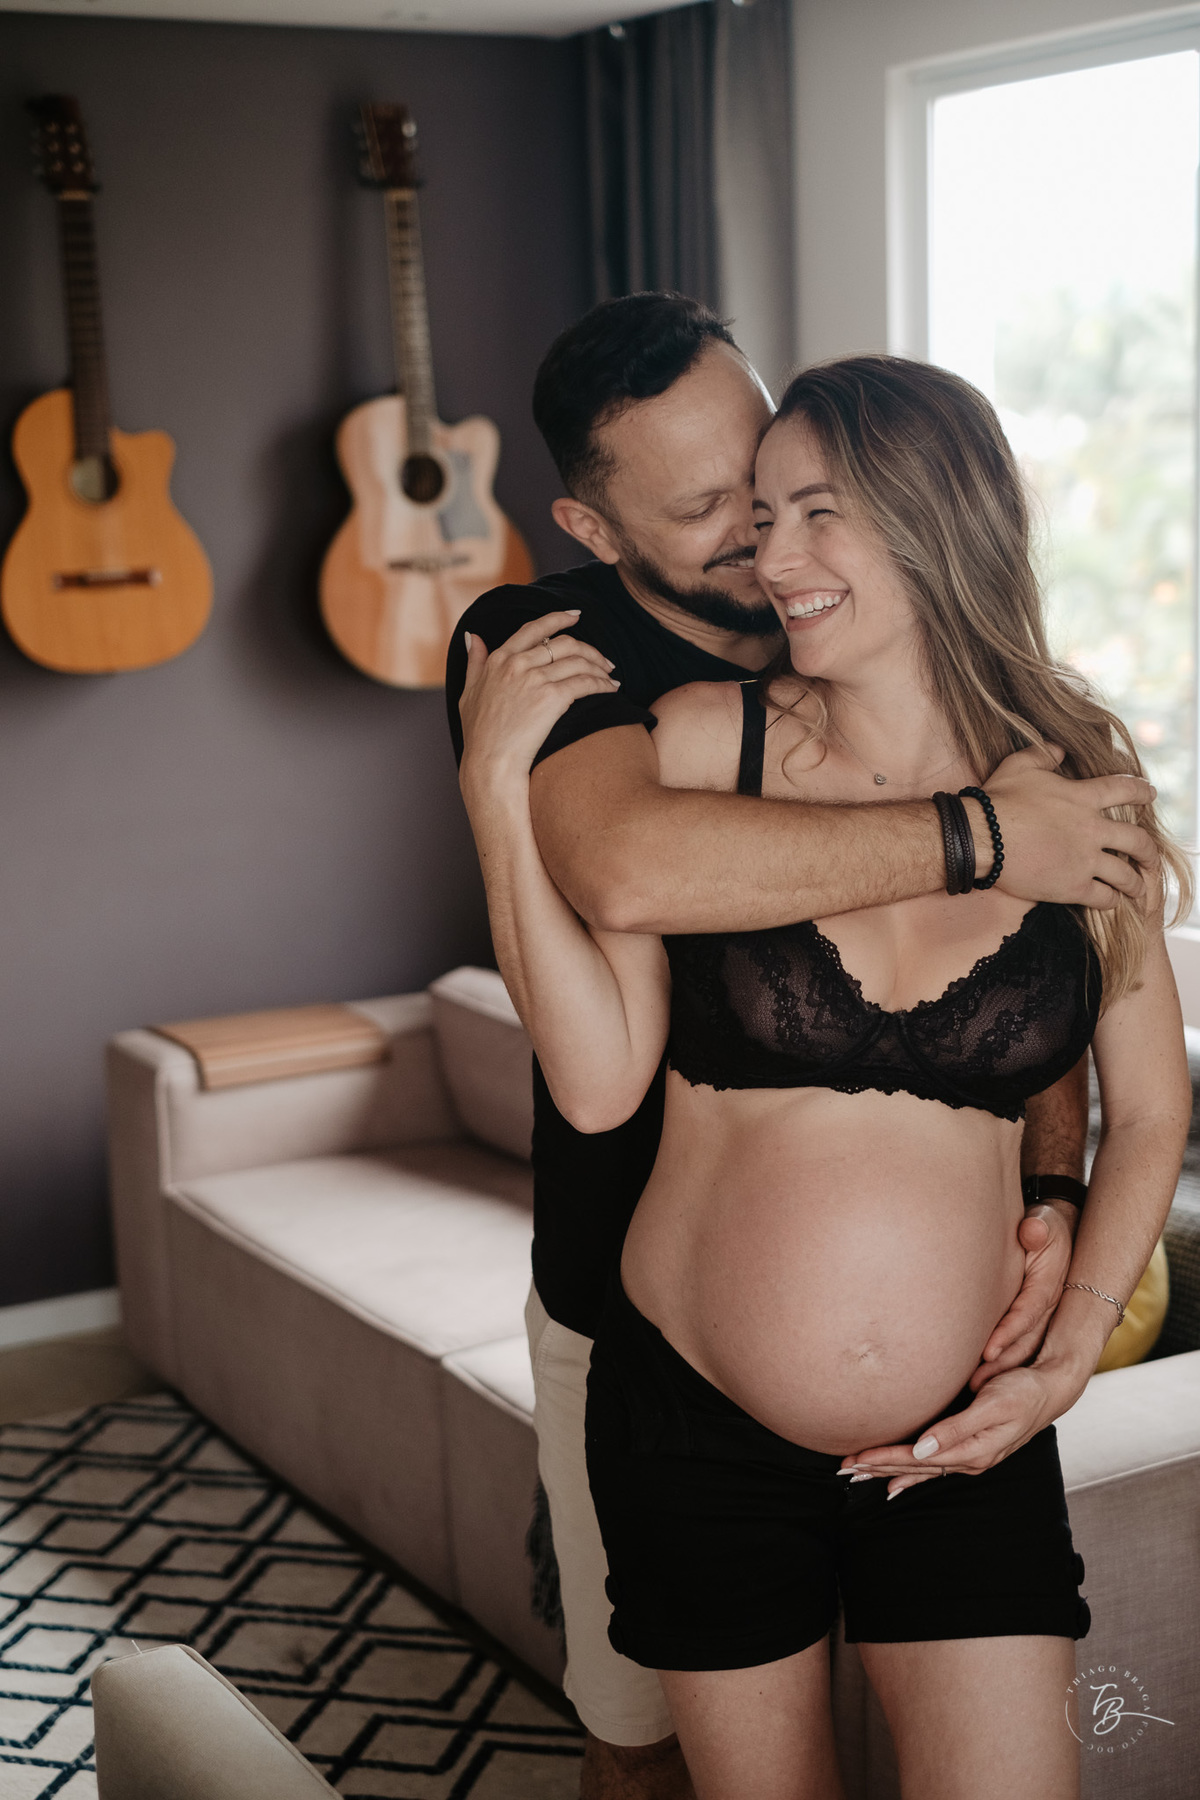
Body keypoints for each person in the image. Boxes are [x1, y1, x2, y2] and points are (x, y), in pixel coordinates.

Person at [446, 296, 1156, 1800]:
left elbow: (1135, 1092)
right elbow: (616, 955)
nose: (764, 555)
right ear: (596, 519)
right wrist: (495, 797)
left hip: (964, 1420)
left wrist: (1071, 1297)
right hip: (668, 1368)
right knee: (635, 1751)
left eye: (792, 504)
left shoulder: (1081, 772)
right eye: (727, 513)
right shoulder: (636, 696)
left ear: (929, 515)